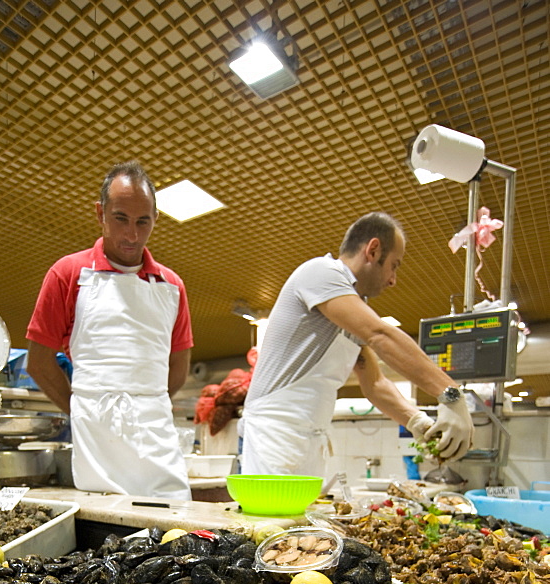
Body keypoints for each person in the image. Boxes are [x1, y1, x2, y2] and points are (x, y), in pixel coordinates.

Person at [240, 212, 474, 479]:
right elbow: (380, 335)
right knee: (272, 518)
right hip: (276, 431)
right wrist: (451, 395)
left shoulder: (353, 306)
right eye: (394, 265)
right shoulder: (320, 272)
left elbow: (374, 383)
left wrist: (415, 420)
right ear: (373, 251)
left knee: (299, 518)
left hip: (308, 435)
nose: (393, 279)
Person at [26, 161, 193, 499]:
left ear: (155, 219)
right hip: (96, 437)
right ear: (101, 213)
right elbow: (39, 363)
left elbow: (178, 368)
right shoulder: (68, 273)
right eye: (121, 219)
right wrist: (85, 407)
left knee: (176, 526)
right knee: (107, 532)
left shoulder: (171, 285)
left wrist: (145, 403)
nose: (132, 234)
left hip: (156, 434)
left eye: (142, 221)